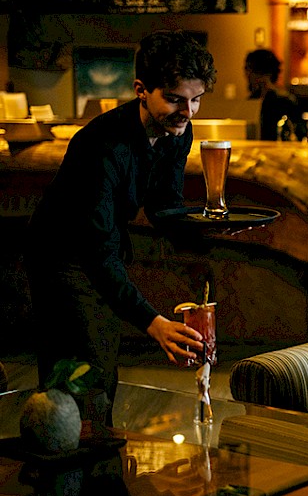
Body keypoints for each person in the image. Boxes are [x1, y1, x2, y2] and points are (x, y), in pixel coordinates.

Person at [24, 29, 217, 419]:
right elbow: (96, 251)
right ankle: (64, 457)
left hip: (101, 250)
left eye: (196, 100)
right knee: (81, 372)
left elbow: (165, 206)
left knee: (101, 364)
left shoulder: (177, 130)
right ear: (141, 89)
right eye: (176, 99)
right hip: (61, 258)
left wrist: (211, 230)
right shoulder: (101, 146)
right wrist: (153, 322)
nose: (189, 112)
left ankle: (95, 458)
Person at [244, 48, 306, 141]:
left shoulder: (285, 101)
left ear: (262, 73)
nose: (246, 75)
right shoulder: (252, 100)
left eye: (249, 70)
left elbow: (300, 134)